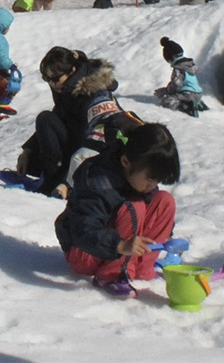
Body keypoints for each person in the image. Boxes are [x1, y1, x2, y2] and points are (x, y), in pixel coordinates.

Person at [54, 123, 181, 297]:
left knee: (165, 201)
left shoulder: (138, 179)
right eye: (149, 179)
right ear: (126, 162)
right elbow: (83, 229)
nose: (152, 185)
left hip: (120, 249)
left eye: (156, 181)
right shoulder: (98, 181)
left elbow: (153, 207)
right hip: (85, 251)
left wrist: (167, 238)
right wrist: (119, 245)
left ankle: (142, 269)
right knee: (133, 206)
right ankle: (112, 275)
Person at [15, 47, 141, 199]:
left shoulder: (92, 93)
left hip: (93, 149)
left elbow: (95, 138)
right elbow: (58, 117)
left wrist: (64, 181)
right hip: (75, 144)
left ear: (72, 70)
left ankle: (53, 182)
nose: (52, 84)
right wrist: (28, 150)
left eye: (55, 79)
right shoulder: (67, 88)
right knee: (34, 153)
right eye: (46, 79)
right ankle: (52, 175)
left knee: (45, 120)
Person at [158, 37, 206, 117]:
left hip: (187, 94)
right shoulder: (190, 65)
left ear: (171, 58)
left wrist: (166, 91)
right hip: (198, 93)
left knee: (167, 100)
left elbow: (176, 84)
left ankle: (185, 107)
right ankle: (198, 104)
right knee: (186, 97)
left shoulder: (178, 68)